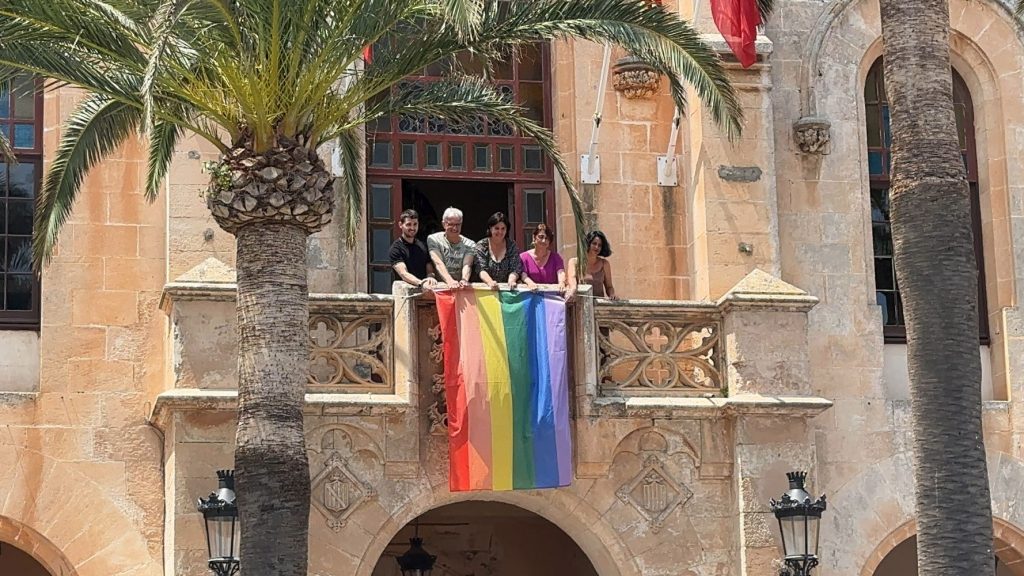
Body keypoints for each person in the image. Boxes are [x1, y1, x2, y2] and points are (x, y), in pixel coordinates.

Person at [427, 207, 476, 289]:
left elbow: (467, 265)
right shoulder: (434, 239)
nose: (455, 228)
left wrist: (464, 280)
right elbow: (438, 263)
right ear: (443, 224)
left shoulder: (470, 244)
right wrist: (450, 281)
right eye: (451, 224)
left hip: (459, 287)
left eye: (458, 224)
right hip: (440, 288)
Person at [520, 223, 572, 298]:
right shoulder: (523, 257)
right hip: (531, 299)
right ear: (534, 238)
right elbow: (523, 275)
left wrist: (561, 283)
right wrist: (530, 283)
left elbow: (561, 272)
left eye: (547, 238)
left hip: (552, 299)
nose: (544, 240)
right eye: (541, 237)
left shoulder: (556, 257)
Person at [475, 212, 525, 290]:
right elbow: (481, 269)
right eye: (497, 228)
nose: (500, 232)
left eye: (503, 228)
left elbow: (515, 268)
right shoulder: (481, 245)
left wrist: (511, 280)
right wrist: (490, 282)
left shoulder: (511, 245)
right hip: (486, 290)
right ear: (490, 228)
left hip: (507, 291)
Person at [389, 209, 436, 289]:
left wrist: (430, 278)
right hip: (405, 294)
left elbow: (429, 268)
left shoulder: (423, 245)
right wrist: (421, 283)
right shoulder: (395, 249)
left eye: (415, 224)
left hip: (425, 292)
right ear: (400, 225)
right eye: (408, 224)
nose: (412, 228)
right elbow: (403, 274)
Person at [568, 230, 617, 299]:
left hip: (598, 307)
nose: (597, 247)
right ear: (588, 244)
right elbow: (572, 280)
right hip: (580, 305)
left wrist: (612, 294)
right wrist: (573, 289)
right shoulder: (574, 262)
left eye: (599, 245)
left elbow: (609, 287)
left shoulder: (604, 264)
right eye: (594, 243)